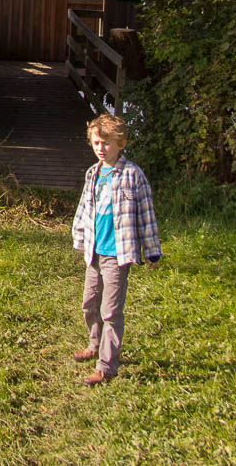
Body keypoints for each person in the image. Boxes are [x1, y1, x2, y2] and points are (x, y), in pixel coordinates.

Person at [70, 113, 162, 385]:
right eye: (97, 142)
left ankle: (106, 366)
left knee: (111, 310)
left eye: (107, 143)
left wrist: (152, 250)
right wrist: (80, 239)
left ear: (121, 143)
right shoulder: (93, 174)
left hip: (117, 253)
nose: (101, 148)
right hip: (95, 252)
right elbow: (84, 209)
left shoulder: (133, 175)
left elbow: (146, 214)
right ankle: (94, 344)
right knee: (90, 303)